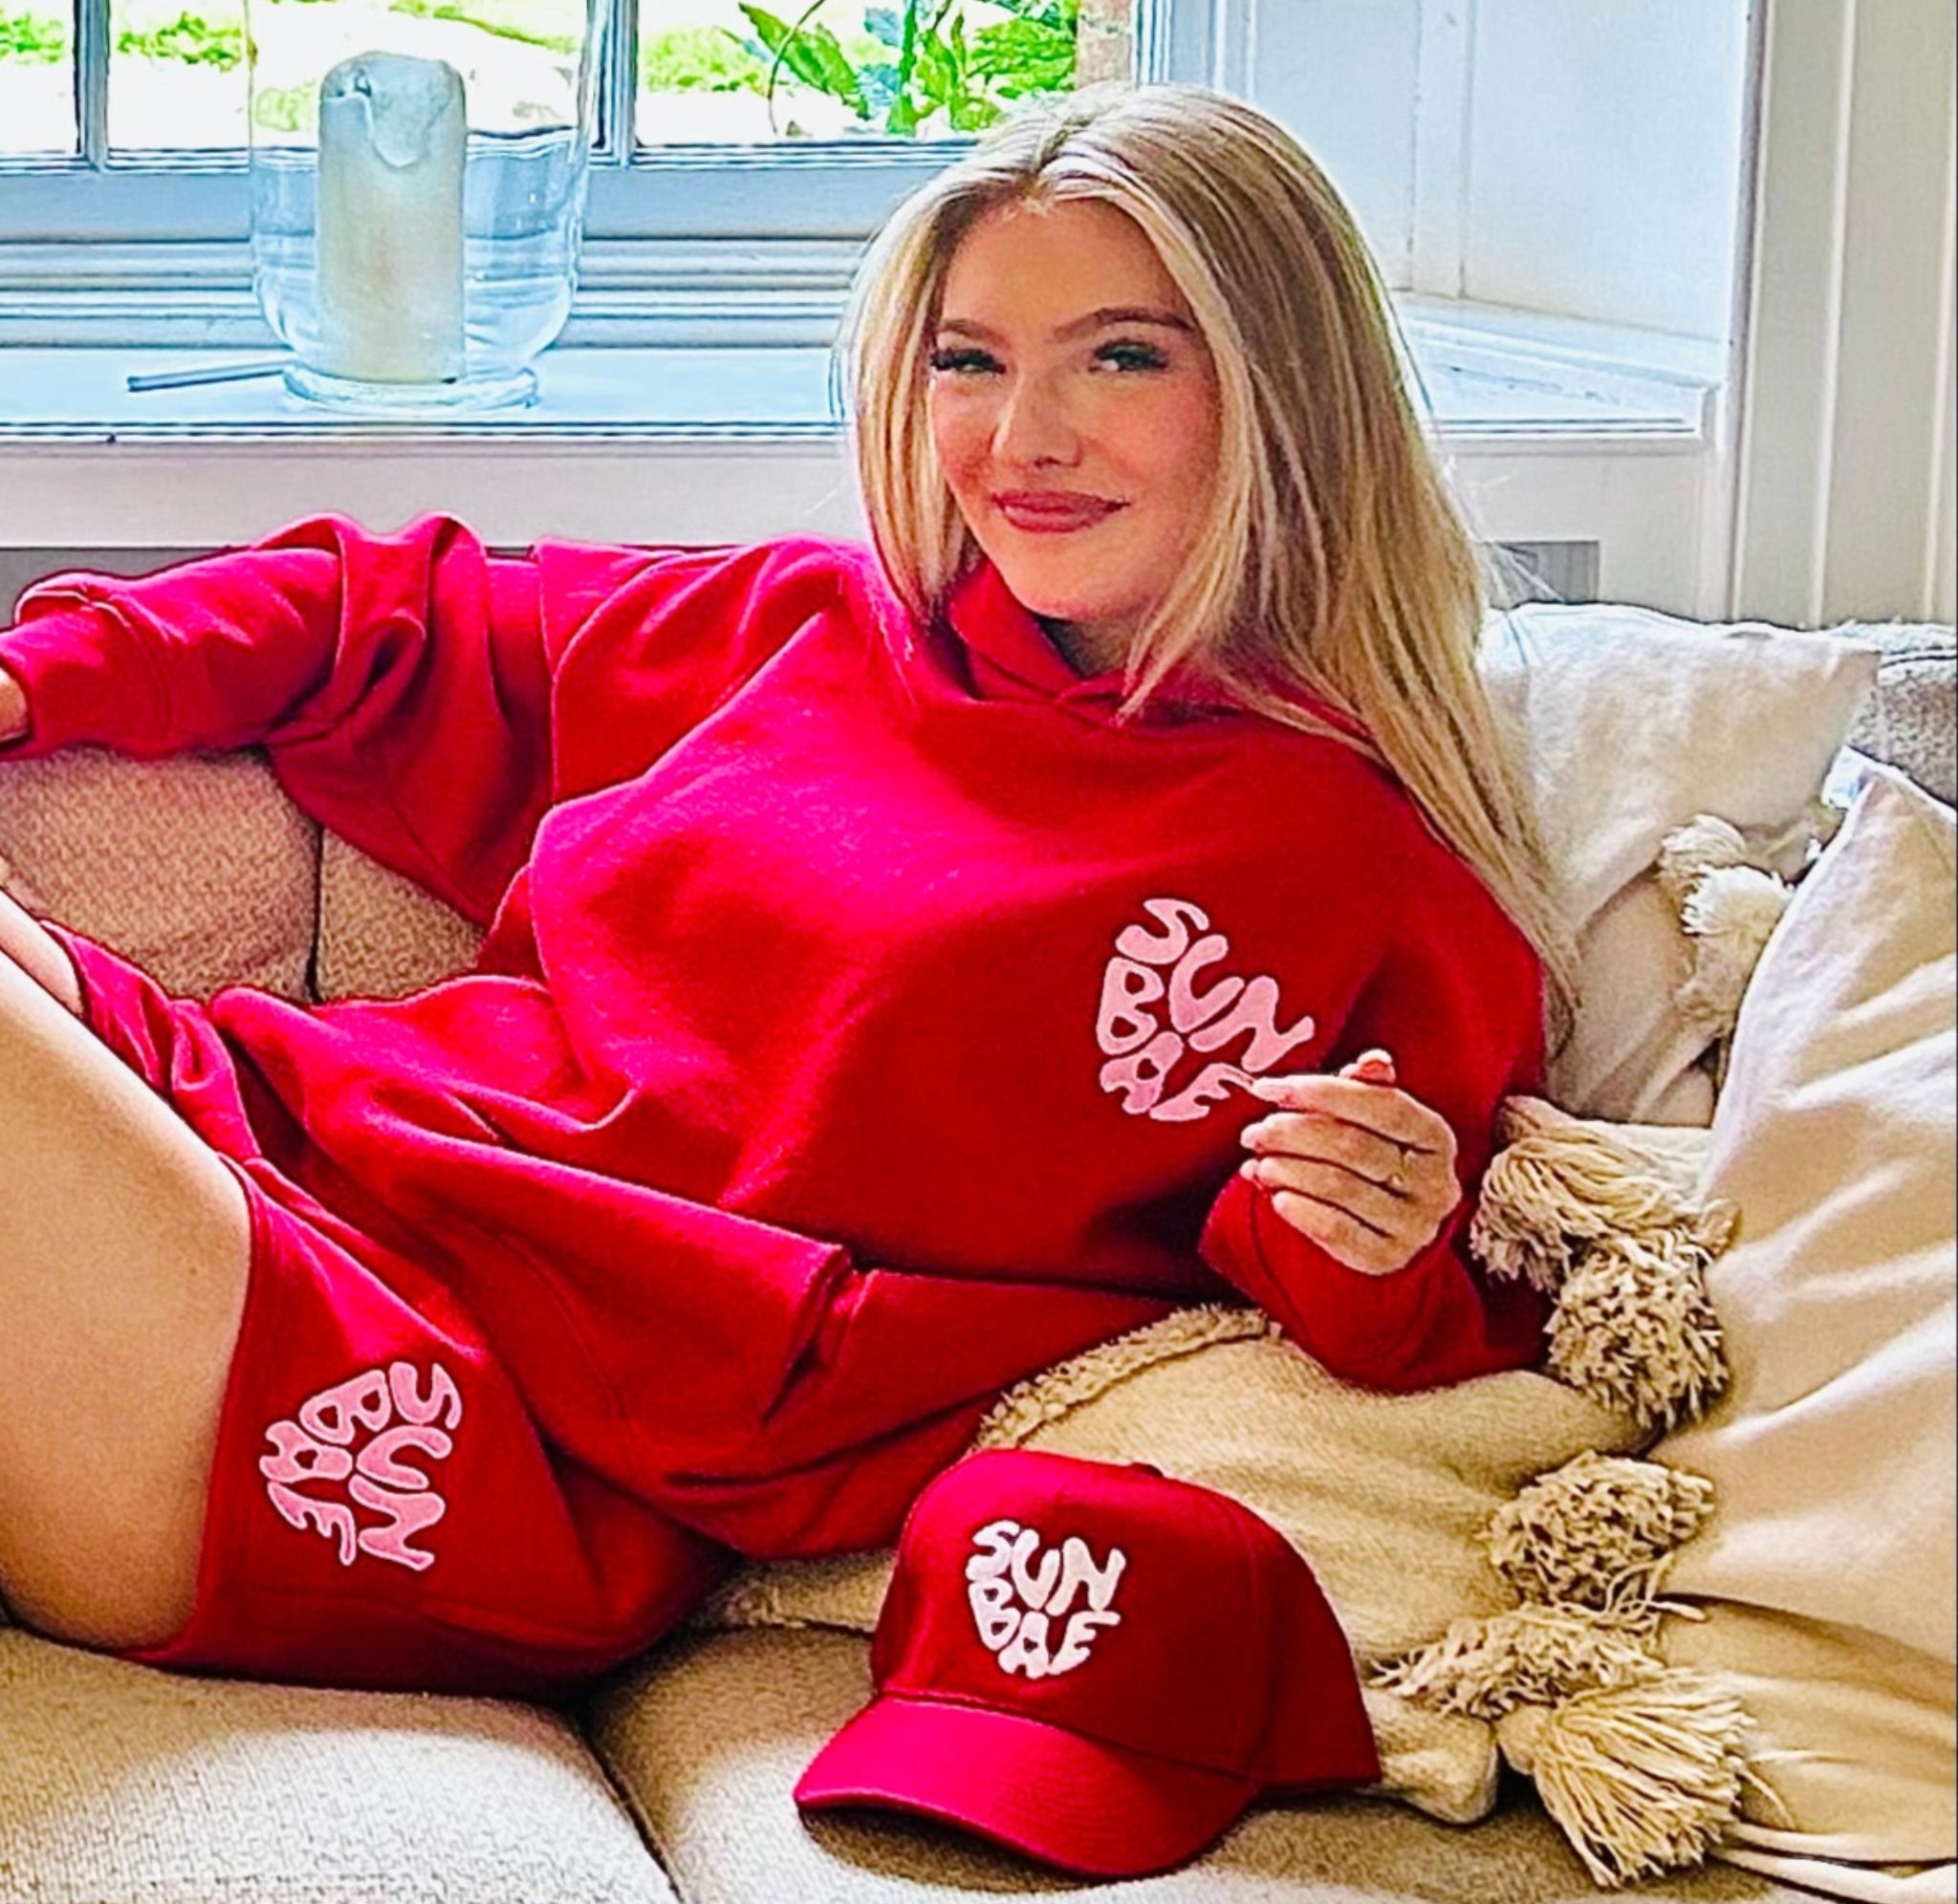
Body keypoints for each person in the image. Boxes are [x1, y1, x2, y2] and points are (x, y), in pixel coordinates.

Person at [0, 83, 1571, 1699]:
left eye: (1121, 357)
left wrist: (1368, 1249)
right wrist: (36, 676)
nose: (1023, 439)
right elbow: (385, 615)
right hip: (269, 1132)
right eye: (969, 361)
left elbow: (1419, 1312)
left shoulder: (1368, 867)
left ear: (1285, 391)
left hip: (457, 1418)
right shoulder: (817, 632)